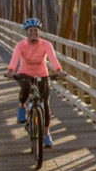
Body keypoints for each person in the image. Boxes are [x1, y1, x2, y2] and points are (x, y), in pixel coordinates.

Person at [5, 18, 64, 148]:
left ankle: (47, 134)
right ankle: (21, 106)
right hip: (25, 73)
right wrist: (10, 70)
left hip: (42, 74)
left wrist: (59, 70)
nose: (33, 33)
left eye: (36, 30)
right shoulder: (21, 45)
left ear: (39, 31)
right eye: (31, 31)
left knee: (46, 104)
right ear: (27, 32)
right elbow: (14, 58)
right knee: (27, 87)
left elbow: (53, 59)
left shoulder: (46, 45)